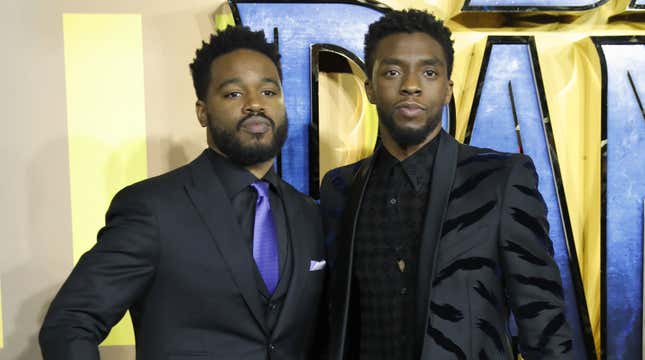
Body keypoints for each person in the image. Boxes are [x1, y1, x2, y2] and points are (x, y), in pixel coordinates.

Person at [39, 25, 326, 360]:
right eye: (234, 94)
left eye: (269, 92)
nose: (254, 105)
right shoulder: (152, 209)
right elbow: (70, 322)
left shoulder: (308, 213)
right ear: (202, 111)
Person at [320, 9, 572, 360]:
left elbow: (544, 322)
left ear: (447, 90)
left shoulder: (500, 179)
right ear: (370, 88)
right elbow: (333, 317)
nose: (411, 84)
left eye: (429, 72)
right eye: (392, 72)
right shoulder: (340, 188)